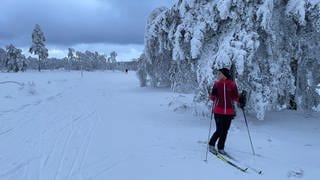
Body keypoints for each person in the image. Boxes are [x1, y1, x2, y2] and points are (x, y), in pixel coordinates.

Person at [208, 68, 246, 155]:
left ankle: (221, 148)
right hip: (218, 111)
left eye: (220, 74)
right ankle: (211, 144)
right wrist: (213, 93)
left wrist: (241, 99)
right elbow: (212, 98)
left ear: (225, 74)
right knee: (219, 130)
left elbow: (235, 97)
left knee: (225, 131)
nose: (218, 75)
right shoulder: (217, 84)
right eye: (218, 74)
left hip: (229, 112)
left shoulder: (232, 85)